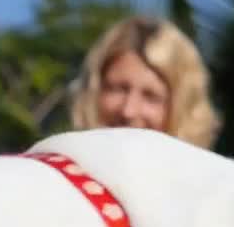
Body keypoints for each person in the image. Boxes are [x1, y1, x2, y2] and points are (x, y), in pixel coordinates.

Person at [68, 15, 221, 148]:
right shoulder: (52, 176)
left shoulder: (210, 180)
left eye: (151, 96)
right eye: (118, 89)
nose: (128, 111)